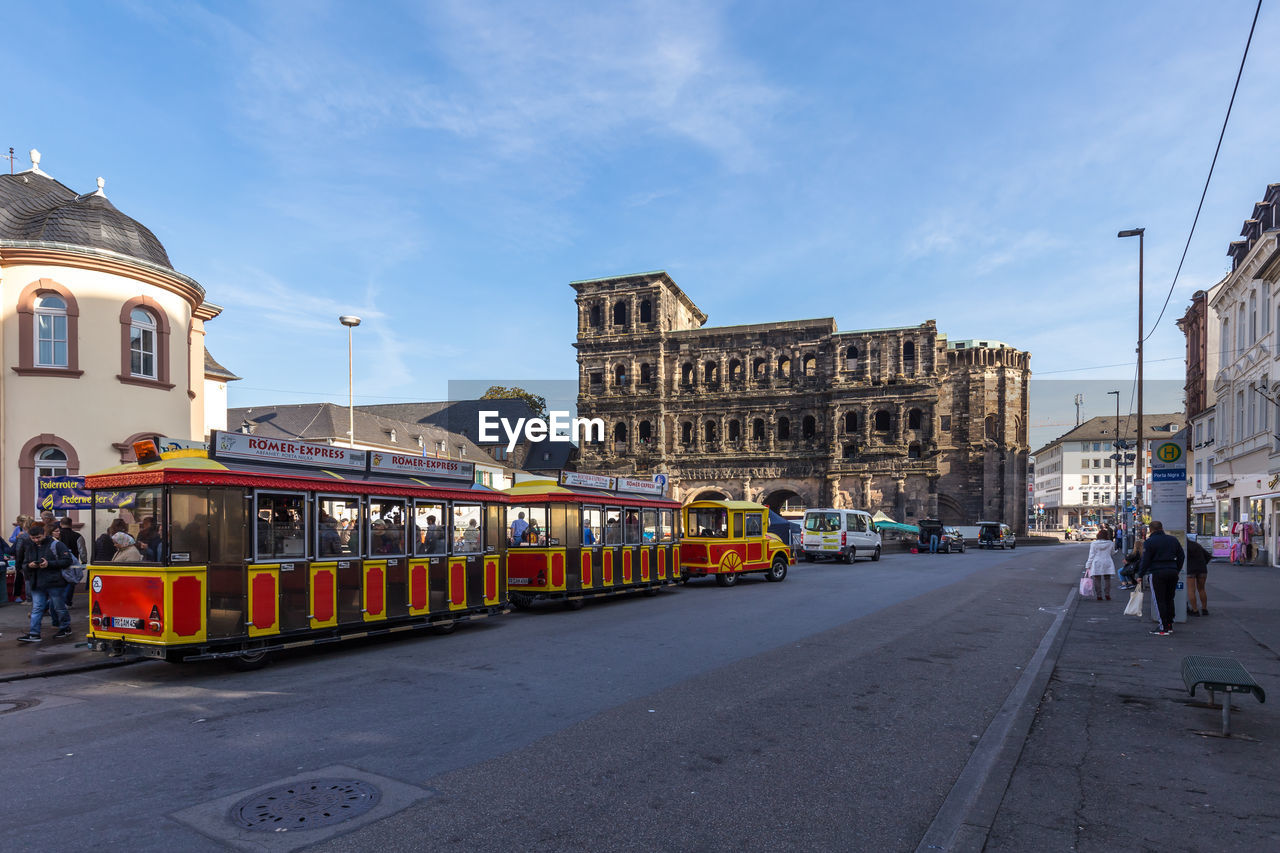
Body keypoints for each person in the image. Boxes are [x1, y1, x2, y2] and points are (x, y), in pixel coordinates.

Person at [16, 522, 73, 643]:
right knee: (37, 608)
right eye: (33, 538)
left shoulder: (56, 544)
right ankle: (34, 633)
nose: (36, 540)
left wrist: (49, 564)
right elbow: (24, 563)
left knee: (59, 607)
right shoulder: (29, 546)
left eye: (38, 537)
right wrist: (29, 566)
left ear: (44, 534)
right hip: (37, 582)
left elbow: (67, 561)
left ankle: (65, 627)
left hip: (54, 582)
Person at [1139, 520, 1184, 636]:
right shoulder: (1173, 540)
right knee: (1169, 598)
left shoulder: (1149, 542)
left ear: (1151, 529)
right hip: (1172, 571)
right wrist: (1177, 569)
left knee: (1160, 600)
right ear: (1162, 528)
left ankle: (1163, 627)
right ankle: (1169, 624)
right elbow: (1181, 556)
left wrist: (1140, 575)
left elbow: (1145, 560)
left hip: (1157, 572)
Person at [57, 518, 86, 608]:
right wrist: (84, 561)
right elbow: (82, 550)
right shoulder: (77, 536)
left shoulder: (57, 535)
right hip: (73, 562)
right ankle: (67, 602)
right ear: (71, 524)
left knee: (60, 581)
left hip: (58, 561)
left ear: (61, 524)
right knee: (71, 581)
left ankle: (59, 601)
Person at [1085, 528, 1116, 601]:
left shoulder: (1093, 544)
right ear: (1106, 536)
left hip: (1097, 562)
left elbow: (1091, 555)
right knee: (1107, 579)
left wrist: (1088, 565)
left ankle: (1099, 595)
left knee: (1097, 579)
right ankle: (1107, 594)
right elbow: (1112, 553)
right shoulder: (1110, 543)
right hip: (1107, 562)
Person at [1186, 536, 1211, 617]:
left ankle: (1195, 610)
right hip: (1202, 569)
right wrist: (1203, 564)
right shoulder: (1196, 545)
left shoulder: (1184, 547)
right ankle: (1204, 609)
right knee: (1202, 589)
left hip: (1190, 569)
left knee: (1191, 590)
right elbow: (1208, 556)